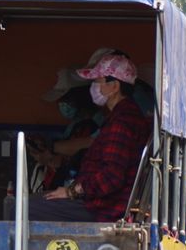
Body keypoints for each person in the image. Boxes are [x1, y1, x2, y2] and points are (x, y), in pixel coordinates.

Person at [35, 53, 148, 221]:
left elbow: (112, 176)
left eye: (98, 81)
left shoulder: (121, 122)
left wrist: (72, 192)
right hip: (101, 202)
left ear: (114, 86)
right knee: (32, 201)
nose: (94, 86)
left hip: (103, 208)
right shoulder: (122, 116)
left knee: (21, 207)